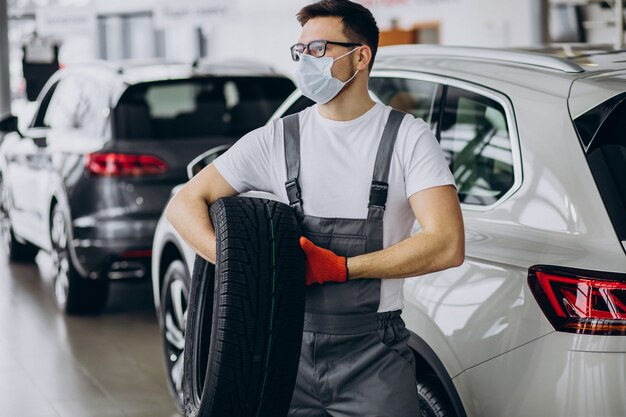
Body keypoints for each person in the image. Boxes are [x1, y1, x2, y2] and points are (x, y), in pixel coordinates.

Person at [165, 0, 465, 415]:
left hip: (372, 354)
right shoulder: (276, 139)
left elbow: (447, 243)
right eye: (299, 50)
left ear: (360, 57)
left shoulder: (408, 139)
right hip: (282, 351)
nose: (305, 59)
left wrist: (341, 268)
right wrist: (243, 271)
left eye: (319, 49)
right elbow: (184, 204)